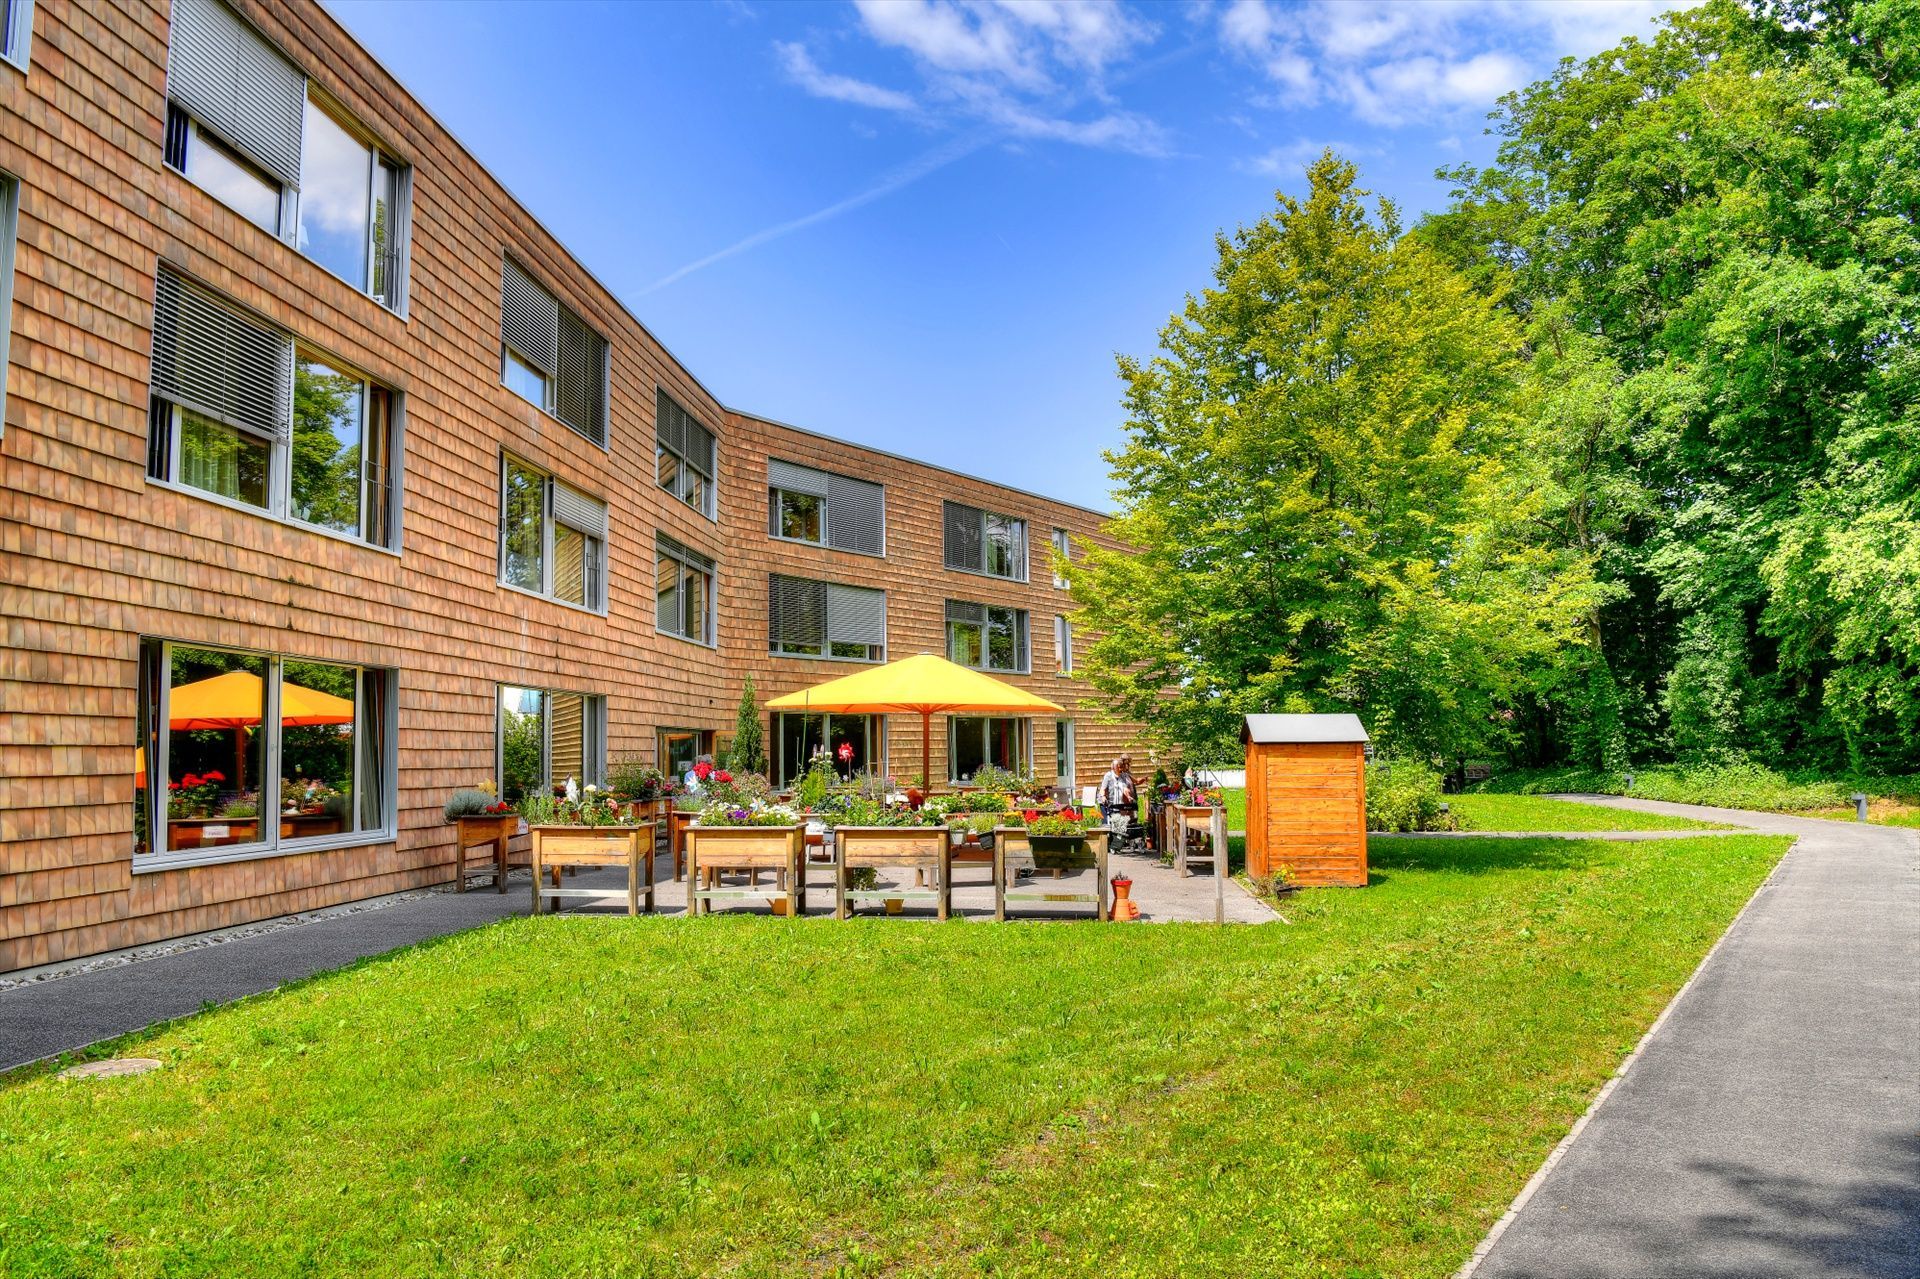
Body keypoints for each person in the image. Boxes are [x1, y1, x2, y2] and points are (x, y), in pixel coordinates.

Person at [1097, 755, 1137, 827]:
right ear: (1114, 768)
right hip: (1106, 801)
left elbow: (1125, 789)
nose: (1120, 769)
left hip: (1116, 803)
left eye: (1121, 767)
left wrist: (1128, 797)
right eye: (1118, 767)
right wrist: (1103, 796)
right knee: (1107, 823)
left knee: (1118, 820)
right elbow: (1103, 788)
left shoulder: (1123, 776)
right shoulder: (1108, 776)